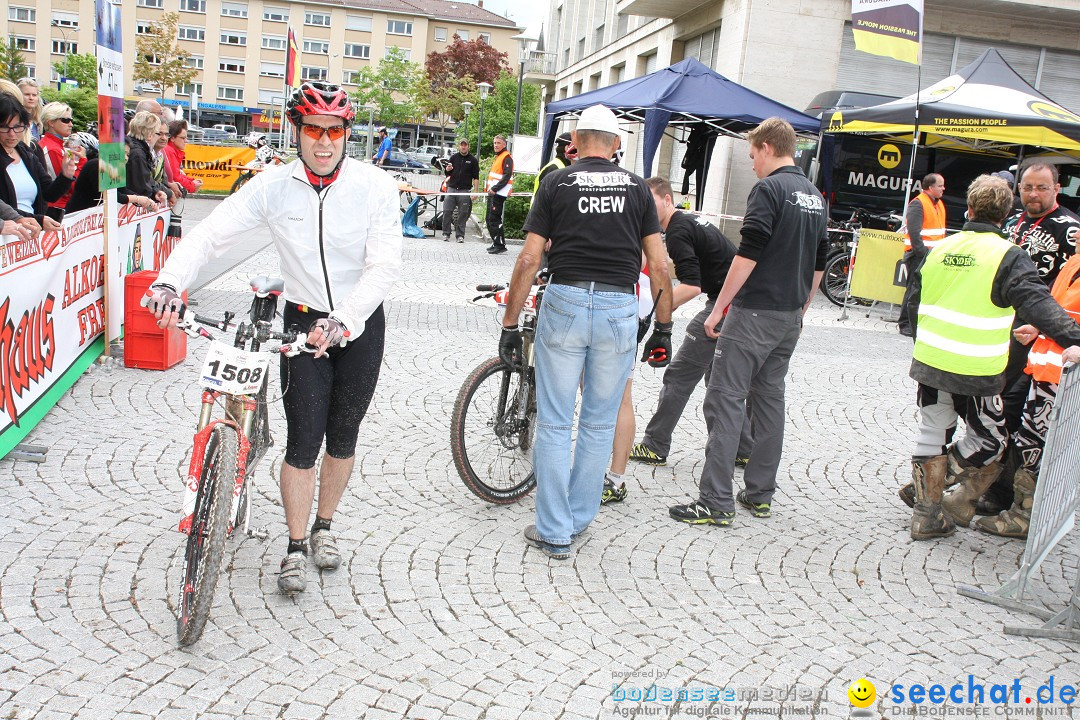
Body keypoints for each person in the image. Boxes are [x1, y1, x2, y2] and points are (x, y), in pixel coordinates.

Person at [144, 81, 402, 594]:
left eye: (333, 131)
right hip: (303, 322)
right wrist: (171, 280)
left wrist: (344, 321)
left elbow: (384, 267)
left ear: (347, 134)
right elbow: (210, 234)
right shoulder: (273, 185)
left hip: (360, 323)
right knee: (304, 440)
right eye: (312, 131)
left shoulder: (375, 186)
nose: (323, 142)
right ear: (296, 132)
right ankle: (295, 544)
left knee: (343, 436)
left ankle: (326, 527)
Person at [498, 104, 674, 559]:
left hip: (567, 300)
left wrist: (510, 323)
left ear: (574, 141)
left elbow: (529, 259)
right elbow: (658, 263)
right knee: (598, 423)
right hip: (619, 306)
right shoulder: (637, 188)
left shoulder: (557, 182)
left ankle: (553, 529)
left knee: (555, 423)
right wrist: (664, 326)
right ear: (617, 145)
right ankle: (577, 521)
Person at [669, 117, 828, 527]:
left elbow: (748, 252)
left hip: (754, 310)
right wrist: (801, 310)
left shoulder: (769, 189)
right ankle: (759, 494)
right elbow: (818, 265)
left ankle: (716, 500)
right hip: (789, 315)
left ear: (769, 148)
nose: (753, 162)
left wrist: (720, 307)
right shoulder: (814, 196)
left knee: (725, 398)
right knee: (770, 402)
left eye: (753, 153)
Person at [904, 174, 1080, 540]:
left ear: (968, 208)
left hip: (932, 358)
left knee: (932, 430)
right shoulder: (1007, 255)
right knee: (990, 441)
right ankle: (932, 492)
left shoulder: (942, 248)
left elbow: (915, 301)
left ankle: (926, 509)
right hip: (977, 365)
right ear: (1007, 214)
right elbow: (1041, 306)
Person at [629, 176, 748, 470]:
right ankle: (743, 450)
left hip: (728, 305)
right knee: (717, 380)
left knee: (679, 374)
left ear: (667, 200)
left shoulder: (679, 230)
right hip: (738, 303)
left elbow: (691, 286)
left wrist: (655, 313)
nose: (645, 207)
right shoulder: (687, 222)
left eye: (650, 202)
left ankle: (655, 445)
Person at [974, 248, 1080, 539]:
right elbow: (1060, 312)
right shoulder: (1074, 262)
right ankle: (1022, 511)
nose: (1076, 233)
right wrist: (1039, 328)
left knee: (1041, 446)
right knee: (1030, 440)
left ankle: (1025, 516)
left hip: (1067, 380)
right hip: (1048, 373)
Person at [0, 95, 75, 232]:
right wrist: (36, 219)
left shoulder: (27, 153)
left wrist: (65, 176)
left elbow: (49, 193)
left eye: (17, 127)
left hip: (31, 238)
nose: (12, 134)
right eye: (4, 128)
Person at [897, 173, 946, 337]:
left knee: (921, 289)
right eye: (940, 185)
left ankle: (912, 322)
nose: (943, 188)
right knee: (913, 288)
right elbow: (915, 233)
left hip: (932, 254)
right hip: (919, 255)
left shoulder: (937, 204)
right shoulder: (918, 204)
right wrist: (924, 254)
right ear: (930, 188)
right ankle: (905, 324)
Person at [67, 134, 155, 213]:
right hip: (78, 218)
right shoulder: (96, 165)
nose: (125, 158)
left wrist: (146, 200)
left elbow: (122, 190)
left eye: (127, 155)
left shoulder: (115, 169)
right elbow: (111, 195)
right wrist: (138, 199)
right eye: (122, 153)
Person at [38, 102, 87, 220]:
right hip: (56, 210)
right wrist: (82, 161)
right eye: (65, 120)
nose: (71, 124)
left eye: (71, 120)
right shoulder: (51, 148)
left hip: (60, 208)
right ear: (51, 122)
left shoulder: (56, 145)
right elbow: (69, 186)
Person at [124, 111, 171, 206]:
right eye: (158, 134)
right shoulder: (138, 154)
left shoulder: (134, 147)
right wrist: (155, 193)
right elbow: (141, 186)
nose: (161, 138)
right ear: (150, 135)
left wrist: (155, 192)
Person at [441, 139, 478, 243]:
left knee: (463, 214)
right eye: (462, 145)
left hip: (464, 190)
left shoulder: (473, 160)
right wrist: (447, 169)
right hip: (452, 189)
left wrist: (475, 191)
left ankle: (460, 236)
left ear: (468, 146)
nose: (463, 147)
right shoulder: (453, 158)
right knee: (447, 212)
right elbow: (448, 173)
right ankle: (446, 234)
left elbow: (476, 177)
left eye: (465, 145)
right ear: (459, 147)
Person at [485, 135, 513, 254]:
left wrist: (495, 189)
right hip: (494, 193)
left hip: (498, 193)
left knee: (494, 219)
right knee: (489, 218)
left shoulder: (507, 157)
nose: (496, 145)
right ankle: (496, 242)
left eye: (498, 143)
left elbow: (506, 176)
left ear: (504, 144)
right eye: (495, 143)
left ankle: (500, 244)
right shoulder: (499, 157)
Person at [163, 120, 204, 197]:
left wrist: (191, 181)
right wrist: (192, 185)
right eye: (183, 138)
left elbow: (177, 175)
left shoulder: (171, 150)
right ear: (172, 138)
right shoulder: (170, 151)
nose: (186, 141)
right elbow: (175, 178)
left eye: (186, 138)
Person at [16, 78, 42, 142]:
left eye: (34, 95)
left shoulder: (36, 122)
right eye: (27, 94)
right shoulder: (14, 121)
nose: (31, 98)